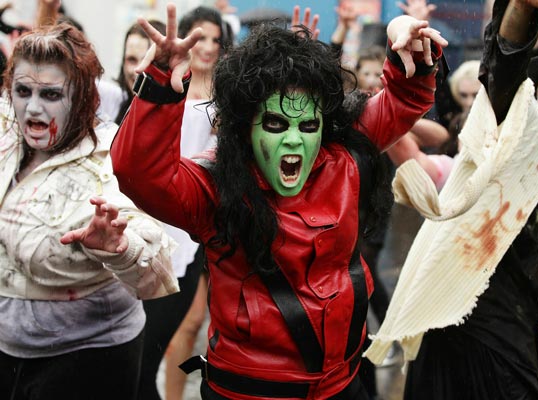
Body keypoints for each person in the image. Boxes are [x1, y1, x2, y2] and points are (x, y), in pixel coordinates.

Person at [110, 3, 447, 399]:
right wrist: (159, 82)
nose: (292, 140)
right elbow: (139, 173)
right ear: (246, 125)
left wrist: (404, 35)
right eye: (275, 123)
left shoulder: (344, 157)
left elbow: (404, 97)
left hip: (340, 385)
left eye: (307, 125)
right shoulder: (217, 183)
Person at [366, 0, 538, 399]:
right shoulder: (522, 128)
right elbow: (505, 66)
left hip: (515, 324)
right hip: (470, 318)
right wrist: (521, 9)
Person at [0, 23, 178, 400]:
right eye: (23, 91)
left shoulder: (110, 158)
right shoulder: (5, 133)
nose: (32, 106)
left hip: (85, 360)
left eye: (50, 94)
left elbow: (156, 266)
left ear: (81, 96)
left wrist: (118, 247)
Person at [145, 6, 231, 400]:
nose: (208, 47)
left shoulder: (230, 94)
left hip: (214, 222)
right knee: (183, 319)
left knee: (197, 319)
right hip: (170, 222)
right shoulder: (171, 87)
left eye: (216, 39)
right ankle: (167, 391)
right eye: (201, 37)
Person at [114, 19, 167, 124]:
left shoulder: (180, 117)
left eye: (149, 61)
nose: (138, 70)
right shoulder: (113, 107)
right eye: (131, 60)